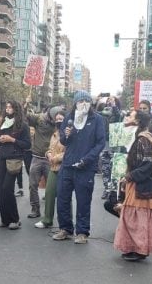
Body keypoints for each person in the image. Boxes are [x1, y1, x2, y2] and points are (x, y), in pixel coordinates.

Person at [54, 91, 107, 243]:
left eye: (86, 101)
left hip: (85, 167)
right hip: (68, 165)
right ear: (75, 103)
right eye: (80, 101)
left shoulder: (97, 119)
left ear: (91, 103)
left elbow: (100, 143)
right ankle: (65, 228)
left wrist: (87, 159)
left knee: (83, 200)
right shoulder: (69, 118)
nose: (83, 103)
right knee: (63, 198)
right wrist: (66, 134)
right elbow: (63, 141)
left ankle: (82, 232)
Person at [113, 109, 152, 261]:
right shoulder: (141, 137)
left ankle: (140, 250)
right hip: (140, 183)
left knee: (137, 219)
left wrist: (129, 176)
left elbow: (147, 165)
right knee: (133, 218)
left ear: (138, 121)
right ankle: (133, 248)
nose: (126, 117)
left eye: (130, 116)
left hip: (142, 185)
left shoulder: (143, 139)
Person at [0, 100, 31, 230]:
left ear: (16, 109)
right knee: (1, 189)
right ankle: (5, 219)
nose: (8, 109)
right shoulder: (3, 123)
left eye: (11, 107)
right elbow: (0, 142)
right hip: (3, 158)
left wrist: (12, 139)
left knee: (7, 189)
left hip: (14, 159)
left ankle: (15, 219)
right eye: (7, 107)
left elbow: (27, 145)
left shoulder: (22, 125)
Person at [35, 107, 66, 229]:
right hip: (53, 167)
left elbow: (70, 151)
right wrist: (47, 153)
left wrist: (57, 158)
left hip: (64, 168)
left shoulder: (69, 133)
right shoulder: (54, 134)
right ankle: (47, 220)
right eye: (57, 118)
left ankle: (65, 224)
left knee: (64, 197)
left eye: (61, 118)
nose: (58, 120)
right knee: (49, 193)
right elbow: (49, 148)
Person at [25, 105, 56, 219]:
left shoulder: (58, 122)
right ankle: (35, 209)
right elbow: (25, 117)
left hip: (51, 159)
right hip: (37, 157)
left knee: (51, 189)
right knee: (33, 185)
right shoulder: (39, 119)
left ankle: (49, 213)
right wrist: (25, 105)